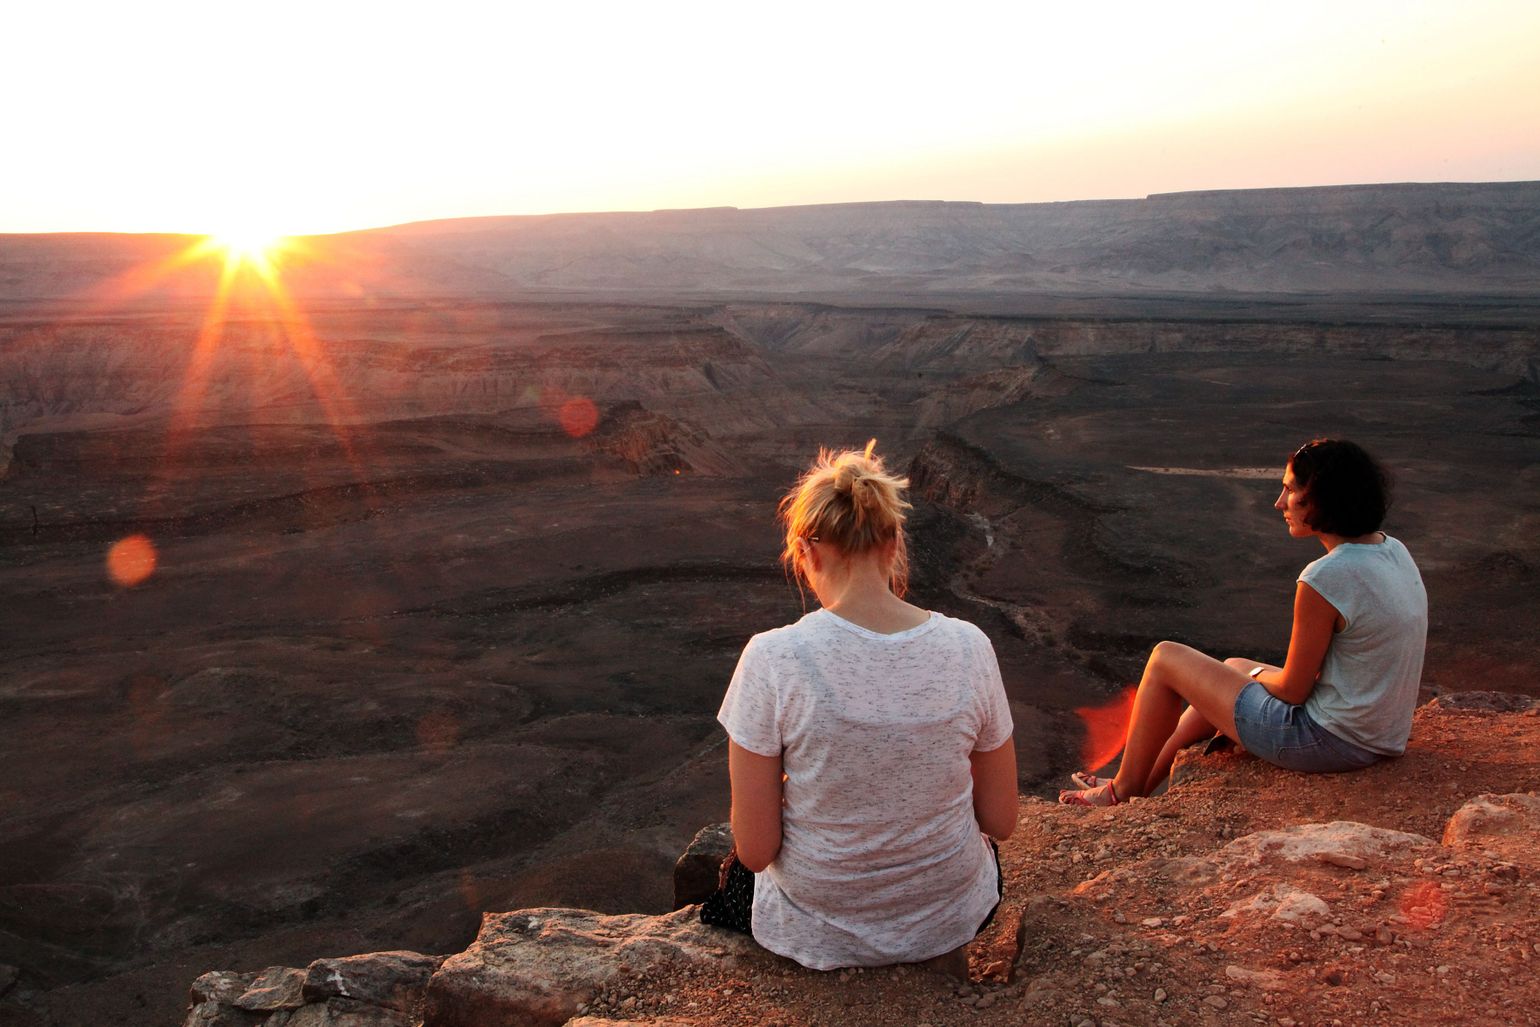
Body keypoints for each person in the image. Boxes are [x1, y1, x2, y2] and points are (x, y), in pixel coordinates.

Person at [713, 440, 1018, 971]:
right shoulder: (970, 646)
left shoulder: (773, 657)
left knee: (731, 876)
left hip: (819, 919)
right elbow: (1001, 818)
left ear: (805, 551)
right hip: (944, 915)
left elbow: (757, 850)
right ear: (893, 541)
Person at [1059, 438, 1427, 807]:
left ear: (1321, 499)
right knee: (1229, 668)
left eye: (1289, 490)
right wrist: (1239, 675)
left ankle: (1120, 791)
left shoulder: (1326, 577)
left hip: (1327, 742)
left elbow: (1292, 691)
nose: (1279, 503)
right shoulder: (1391, 549)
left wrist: (1251, 679)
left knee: (1165, 658)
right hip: (1380, 736)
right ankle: (1134, 783)